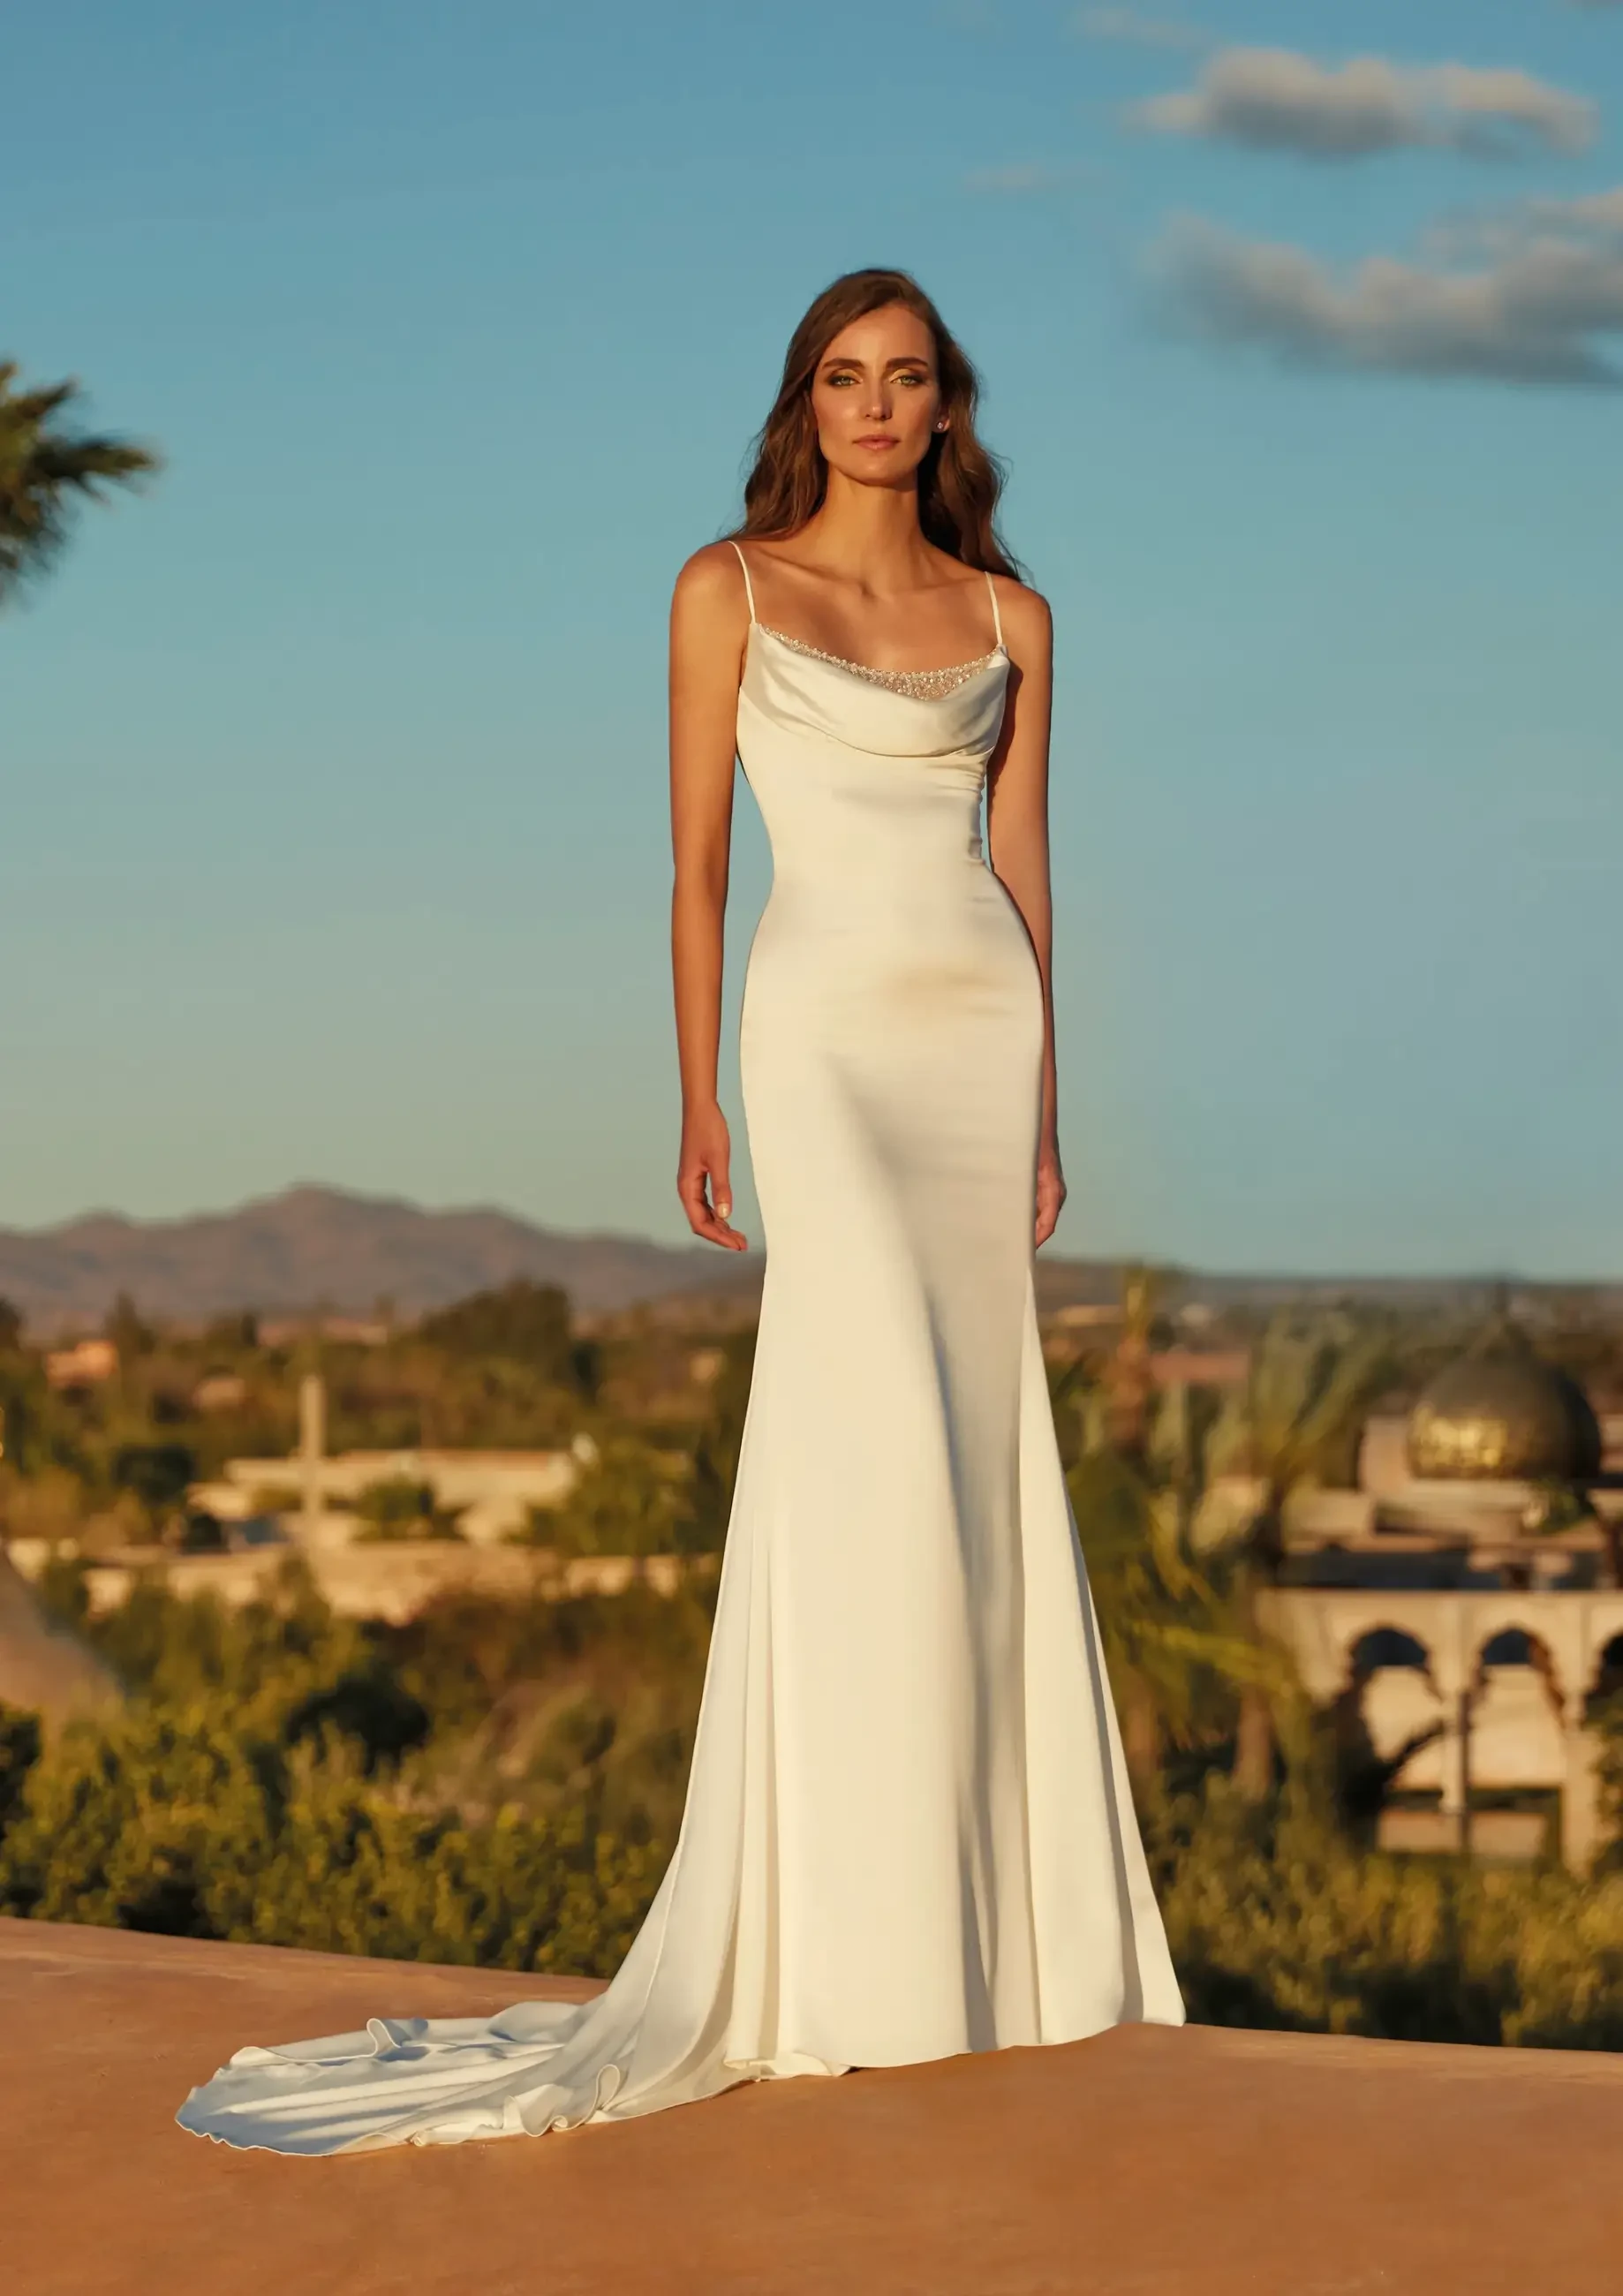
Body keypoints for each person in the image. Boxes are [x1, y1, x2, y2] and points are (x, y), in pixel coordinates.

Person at [176, 267, 1183, 2156]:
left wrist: (1045, 1112)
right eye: (841, 378)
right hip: (813, 1039)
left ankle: (993, 1946)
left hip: (972, 1041)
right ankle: (850, 1946)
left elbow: (1025, 872)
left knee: (970, 1468)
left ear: (945, 408)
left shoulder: (1012, 615)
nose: (874, 407)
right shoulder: (723, 588)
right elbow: (697, 864)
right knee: (865, 1431)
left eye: (904, 380)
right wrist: (696, 1087)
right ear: (803, 405)